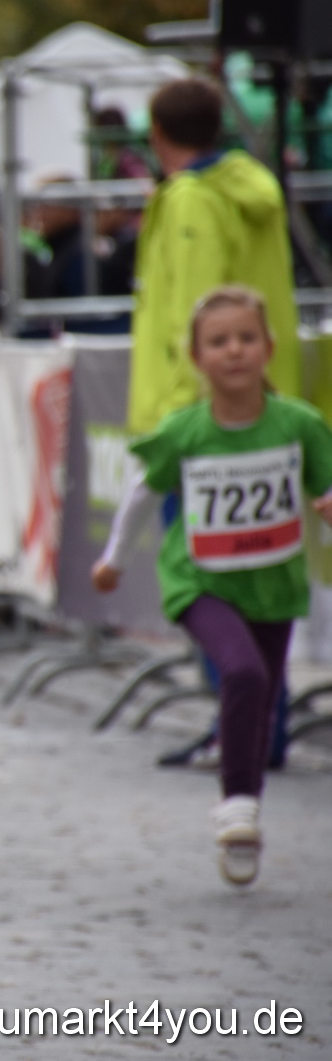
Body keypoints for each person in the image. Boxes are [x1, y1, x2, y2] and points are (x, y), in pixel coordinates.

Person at [94, 288, 332, 887]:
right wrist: (115, 558)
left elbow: (324, 489)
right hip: (200, 582)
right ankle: (237, 806)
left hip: (273, 582)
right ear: (198, 357)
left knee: (264, 693)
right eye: (219, 342)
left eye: (246, 339)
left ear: (270, 348)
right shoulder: (185, 431)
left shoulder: (298, 424)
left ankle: (245, 810)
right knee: (243, 673)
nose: (234, 352)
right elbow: (143, 494)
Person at [129, 77, 299, 436]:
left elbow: (195, 309)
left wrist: (178, 413)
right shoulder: (250, 188)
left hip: (205, 420)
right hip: (262, 403)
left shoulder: (191, 199)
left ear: (157, 133)